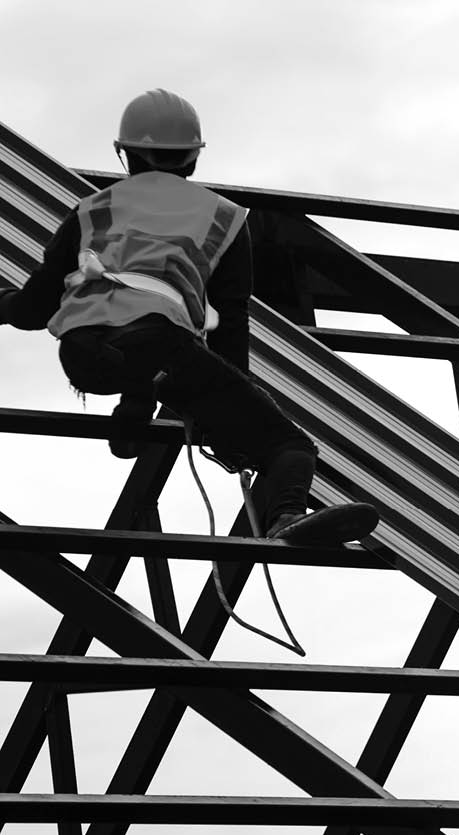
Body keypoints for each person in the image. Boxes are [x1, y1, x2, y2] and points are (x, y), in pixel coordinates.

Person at [0, 89, 377, 547]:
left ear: (125, 154)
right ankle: (286, 517)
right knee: (289, 446)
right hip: (159, 349)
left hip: (82, 357)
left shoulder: (91, 210)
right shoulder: (224, 217)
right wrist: (235, 400)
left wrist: (4, 304)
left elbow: (33, 310)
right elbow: (232, 322)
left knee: (146, 353)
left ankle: (133, 413)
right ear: (193, 160)